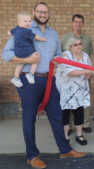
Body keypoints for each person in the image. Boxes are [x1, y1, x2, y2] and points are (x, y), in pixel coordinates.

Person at [2, 2, 86, 169]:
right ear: (33, 12)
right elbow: (6, 54)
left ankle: (64, 149)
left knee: (57, 115)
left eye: (45, 12)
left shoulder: (53, 34)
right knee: (29, 118)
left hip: (49, 80)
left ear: (48, 14)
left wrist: (61, 58)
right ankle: (32, 156)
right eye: (39, 12)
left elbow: (55, 56)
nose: (42, 15)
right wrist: (27, 60)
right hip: (29, 80)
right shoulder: (23, 29)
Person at [56, 37, 93, 146]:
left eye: (80, 44)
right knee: (65, 113)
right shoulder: (65, 56)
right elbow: (70, 72)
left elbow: (90, 71)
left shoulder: (85, 55)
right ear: (70, 46)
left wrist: (89, 74)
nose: (78, 46)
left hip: (81, 89)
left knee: (79, 112)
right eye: (75, 45)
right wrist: (87, 71)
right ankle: (65, 136)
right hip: (67, 89)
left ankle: (79, 135)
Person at [61, 14, 94, 134]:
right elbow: (61, 57)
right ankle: (69, 127)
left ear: (83, 24)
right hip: (69, 79)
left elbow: (89, 55)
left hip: (84, 77)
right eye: (76, 22)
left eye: (80, 22)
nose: (78, 24)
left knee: (83, 102)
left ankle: (85, 124)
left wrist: (88, 72)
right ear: (72, 23)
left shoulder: (87, 38)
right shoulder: (65, 38)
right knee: (69, 103)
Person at [9, 12, 46, 88]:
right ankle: (31, 74)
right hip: (26, 50)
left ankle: (16, 77)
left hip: (18, 52)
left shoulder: (16, 28)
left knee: (21, 63)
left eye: (29, 21)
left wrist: (10, 34)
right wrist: (42, 39)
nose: (27, 23)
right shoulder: (26, 31)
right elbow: (35, 36)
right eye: (25, 21)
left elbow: (9, 32)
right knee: (36, 58)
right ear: (19, 23)